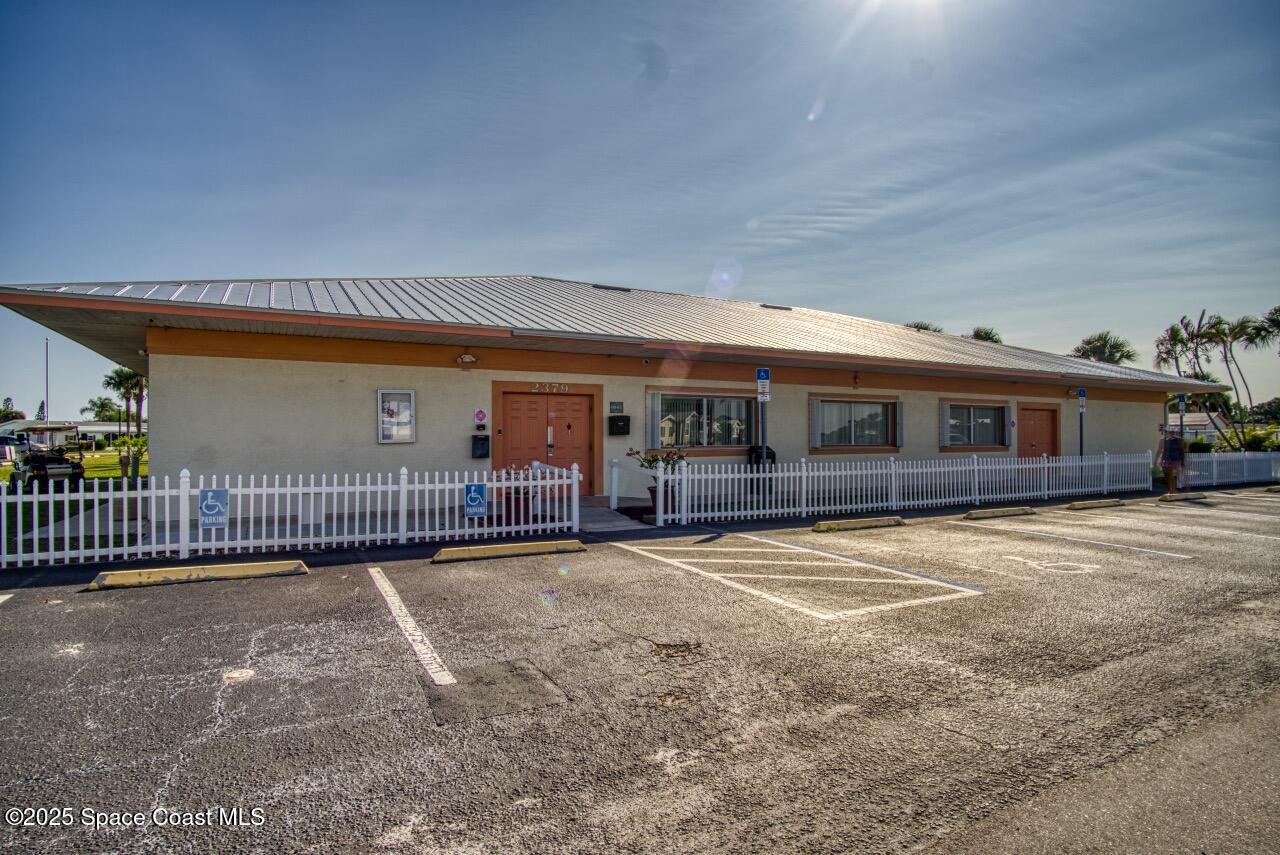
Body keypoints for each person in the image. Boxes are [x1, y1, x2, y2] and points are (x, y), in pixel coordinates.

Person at [1155, 427, 1186, 494]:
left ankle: (1172, 490)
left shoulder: (1180, 440)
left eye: (1173, 432)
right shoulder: (1163, 440)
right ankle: (1170, 489)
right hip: (1165, 459)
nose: (1172, 433)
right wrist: (1156, 460)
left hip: (1175, 459)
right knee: (1167, 474)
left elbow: (1182, 451)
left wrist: (1182, 461)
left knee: (1171, 474)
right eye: (1170, 432)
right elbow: (1159, 450)